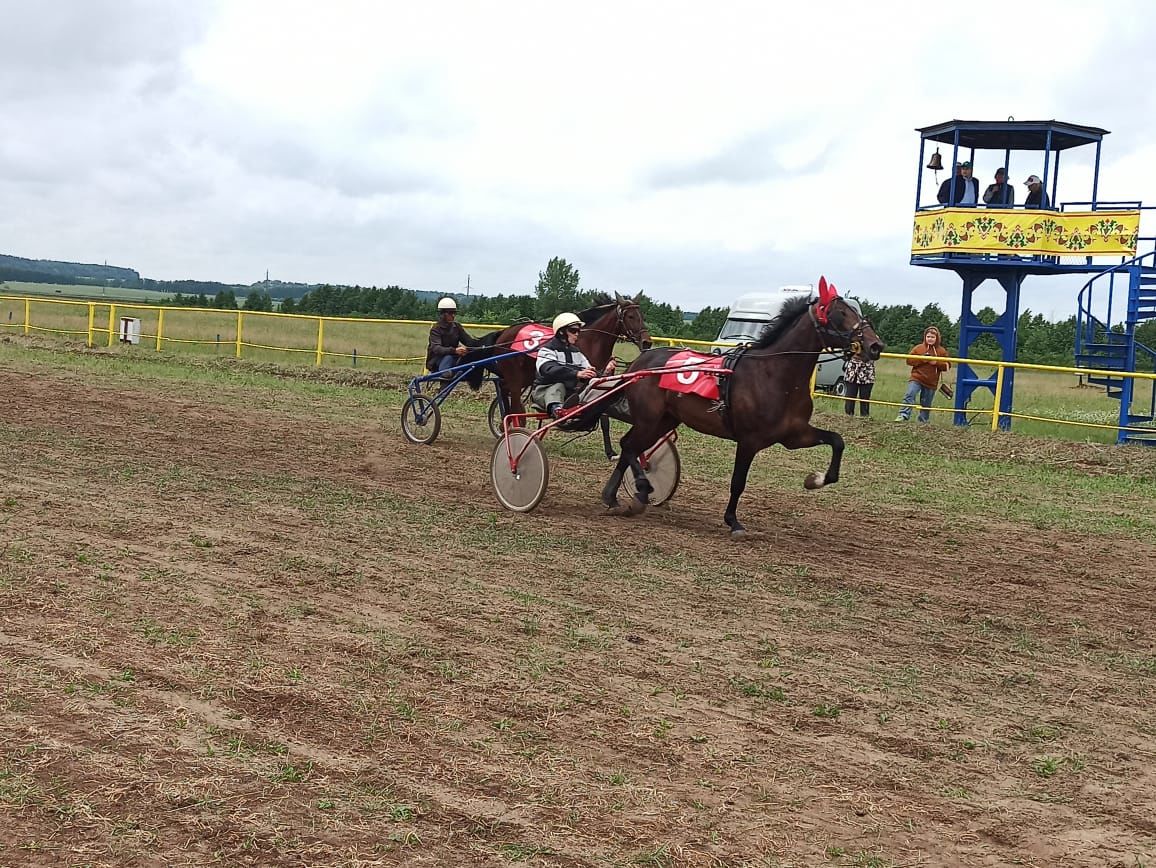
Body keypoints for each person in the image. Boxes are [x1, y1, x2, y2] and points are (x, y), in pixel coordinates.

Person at [531, 312, 616, 418]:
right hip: (544, 391)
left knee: (592, 384)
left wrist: (605, 372)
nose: (577, 334)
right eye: (573, 330)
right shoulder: (547, 350)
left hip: (569, 393)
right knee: (558, 386)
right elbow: (548, 369)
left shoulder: (576, 352)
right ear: (561, 332)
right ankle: (556, 410)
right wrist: (577, 373)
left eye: (578, 331)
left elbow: (588, 371)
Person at [895, 326, 951, 423]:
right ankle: (903, 415)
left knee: (926, 403)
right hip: (917, 378)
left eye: (932, 337)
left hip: (931, 382)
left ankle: (923, 421)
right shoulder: (918, 348)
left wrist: (936, 362)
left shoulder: (942, 351)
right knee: (909, 394)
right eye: (928, 336)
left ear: (937, 338)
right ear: (925, 337)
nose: (930, 339)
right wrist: (921, 359)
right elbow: (909, 360)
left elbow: (947, 366)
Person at [425, 297, 480, 379]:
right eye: (450, 313)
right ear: (442, 314)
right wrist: (454, 350)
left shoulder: (457, 327)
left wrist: (481, 345)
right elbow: (436, 348)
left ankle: (463, 372)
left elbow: (469, 341)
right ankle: (446, 373)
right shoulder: (435, 329)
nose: (453, 315)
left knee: (468, 355)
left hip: (453, 356)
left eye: (454, 312)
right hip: (437, 360)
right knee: (449, 357)